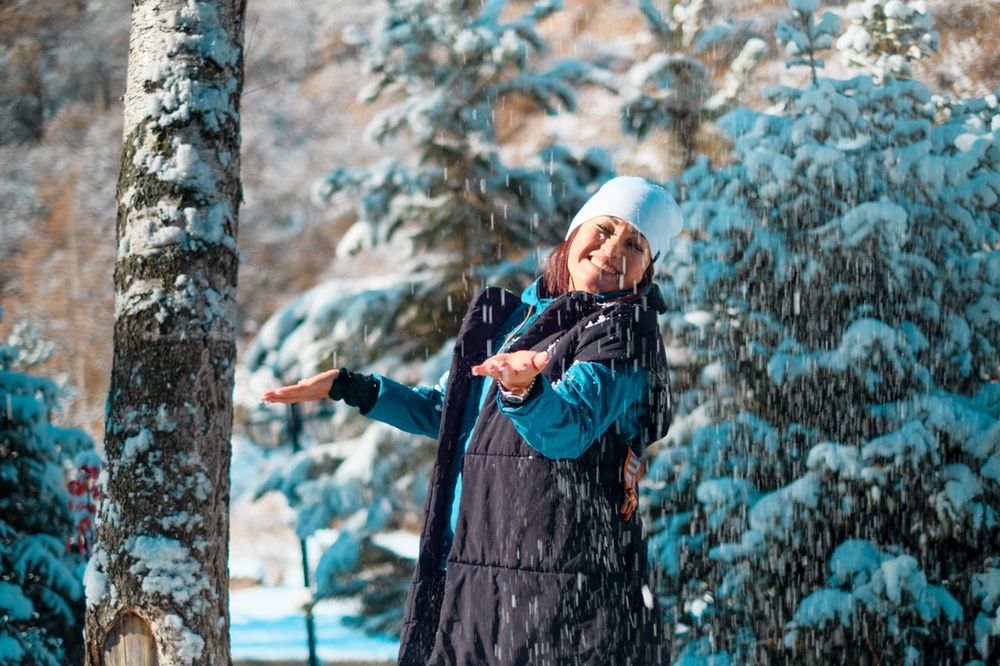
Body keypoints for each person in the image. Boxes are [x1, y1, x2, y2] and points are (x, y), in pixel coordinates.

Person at [261, 176, 682, 665]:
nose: (612, 249)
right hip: (474, 574)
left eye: (635, 243)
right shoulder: (517, 319)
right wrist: (351, 387)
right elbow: (450, 413)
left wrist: (524, 391)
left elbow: (567, 428)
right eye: (604, 228)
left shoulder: (623, 333)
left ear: (648, 269)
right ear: (575, 231)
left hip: (564, 593)